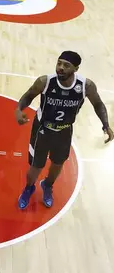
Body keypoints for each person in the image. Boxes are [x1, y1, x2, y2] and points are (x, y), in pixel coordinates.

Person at [15, 51, 113, 209]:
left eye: (66, 65)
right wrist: (19, 110)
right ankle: (29, 188)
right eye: (59, 63)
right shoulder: (45, 81)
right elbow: (29, 95)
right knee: (36, 166)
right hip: (42, 129)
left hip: (65, 131)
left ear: (76, 68)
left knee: (58, 163)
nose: (60, 68)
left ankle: (47, 185)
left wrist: (105, 124)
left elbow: (98, 104)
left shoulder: (85, 86)